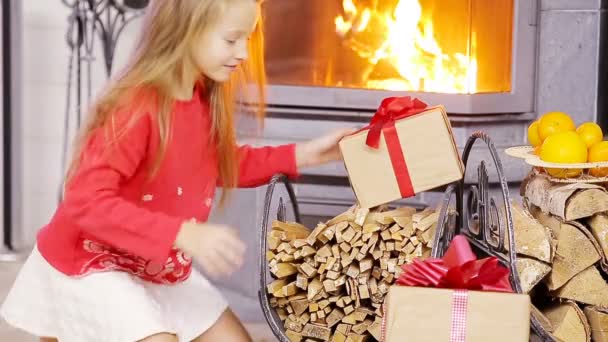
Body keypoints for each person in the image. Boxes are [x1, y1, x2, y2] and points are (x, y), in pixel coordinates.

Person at [0, 0, 354, 341]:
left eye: (248, 38)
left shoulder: (200, 98)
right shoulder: (137, 107)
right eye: (231, 39)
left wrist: (306, 154)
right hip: (92, 262)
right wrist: (182, 233)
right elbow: (85, 202)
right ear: (186, 29)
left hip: (153, 263)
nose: (244, 53)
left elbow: (218, 164)